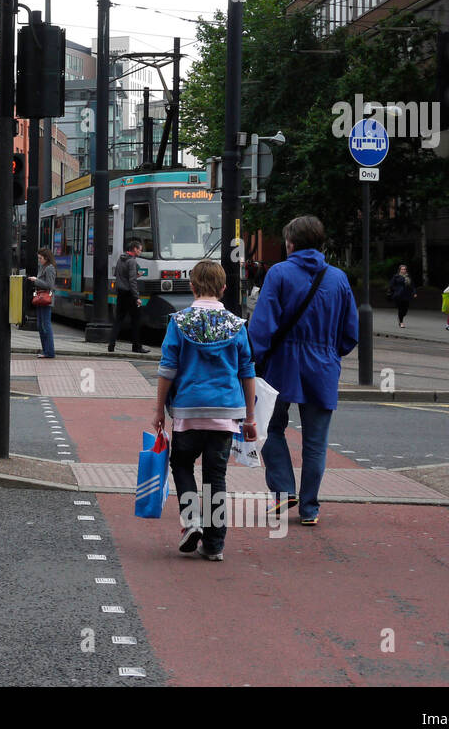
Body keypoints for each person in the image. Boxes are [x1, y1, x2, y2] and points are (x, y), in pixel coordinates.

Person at [248, 215, 359, 527]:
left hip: (281, 365)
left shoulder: (279, 273)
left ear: (290, 243)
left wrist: (252, 360)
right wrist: (328, 354)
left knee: (269, 426)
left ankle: (284, 491)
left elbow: (262, 327)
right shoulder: (338, 279)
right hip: (323, 367)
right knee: (315, 442)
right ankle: (309, 508)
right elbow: (350, 333)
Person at [152, 259, 256, 562]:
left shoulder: (179, 322)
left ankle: (192, 519)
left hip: (188, 409)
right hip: (226, 412)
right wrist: (249, 417)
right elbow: (247, 371)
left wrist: (159, 409)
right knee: (216, 476)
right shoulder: (236, 325)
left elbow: (167, 369)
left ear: (192, 286)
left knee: (181, 463)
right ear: (223, 289)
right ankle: (214, 545)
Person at [108, 239, 149, 354]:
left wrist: (135, 275)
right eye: (140, 250)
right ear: (135, 249)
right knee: (136, 320)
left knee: (118, 319)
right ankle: (136, 346)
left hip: (120, 293)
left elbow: (117, 274)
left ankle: (111, 345)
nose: (140, 252)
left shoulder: (121, 259)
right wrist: (137, 297)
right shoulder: (132, 262)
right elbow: (132, 281)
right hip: (129, 294)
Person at [28, 247, 56, 359]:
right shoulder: (43, 266)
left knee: (45, 325)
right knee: (41, 325)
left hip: (45, 300)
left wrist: (36, 280)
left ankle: (49, 351)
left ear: (46, 258)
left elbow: (50, 285)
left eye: (40, 258)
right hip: (40, 299)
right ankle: (46, 350)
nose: (39, 260)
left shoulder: (49, 268)